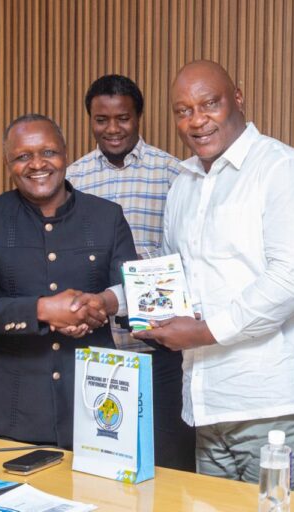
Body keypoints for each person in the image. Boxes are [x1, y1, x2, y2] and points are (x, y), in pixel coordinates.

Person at [133, 60, 294, 494]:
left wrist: (204, 332)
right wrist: (109, 301)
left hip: (279, 407)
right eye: (183, 111)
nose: (196, 120)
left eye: (208, 104)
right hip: (209, 404)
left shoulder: (282, 170)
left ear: (238, 97)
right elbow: (172, 277)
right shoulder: (184, 185)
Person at [0, 114, 137, 449]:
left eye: (48, 152)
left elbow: (133, 289)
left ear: (66, 154)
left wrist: (99, 305)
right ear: (8, 164)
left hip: (98, 401)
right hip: (15, 405)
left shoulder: (106, 216)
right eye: (23, 156)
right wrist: (42, 310)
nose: (37, 164)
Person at [66, 74, 195, 471]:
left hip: (158, 346)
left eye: (122, 118)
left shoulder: (174, 174)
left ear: (139, 117)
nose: (113, 129)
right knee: (99, 461)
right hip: (96, 346)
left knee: (168, 464)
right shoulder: (72, 178)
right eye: (101, 119)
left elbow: (186, 256)